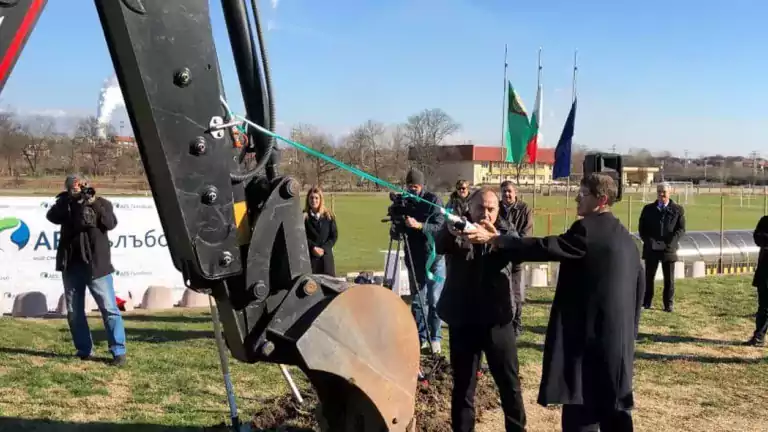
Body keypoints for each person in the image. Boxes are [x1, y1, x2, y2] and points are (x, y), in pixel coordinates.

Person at [464, 173, 644, 432]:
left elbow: (546, 247)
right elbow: (640, 289)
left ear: (602, 200)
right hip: (618, 348)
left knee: (581, 416)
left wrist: (497, 240)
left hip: (589, 347)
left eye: (582, 194)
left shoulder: (588, 230)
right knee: (615, 413)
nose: (576, 198)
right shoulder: (626, 238)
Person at [435, 186, 526, 432]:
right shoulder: (458, 227)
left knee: (510, 384)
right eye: (480, 208)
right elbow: (440, 244)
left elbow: (519, 249)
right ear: (470, 207)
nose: (485, 214)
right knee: (464, 386)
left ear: (498, 210)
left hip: (498, 321)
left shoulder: (505, 230)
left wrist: (496, 239)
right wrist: (451, 230)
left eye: (490, 209)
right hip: (464, 321)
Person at [45, 174, 127, 367]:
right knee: (74, 311)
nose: (78, 188)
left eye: (81, 185)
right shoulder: (65, 204)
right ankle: (84, 350)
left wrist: (92, 201)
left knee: (109, 308)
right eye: (73, 186)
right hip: (71, 265)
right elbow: (52, 217)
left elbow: (110, 223)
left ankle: (118, 351)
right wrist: (67, 199)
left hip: (96, 266)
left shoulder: (102, 203)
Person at [401, 167, 446, 354]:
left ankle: (435, 337)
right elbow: (396, 232)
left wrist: (419, 225)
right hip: (414, 257)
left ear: (422, 185)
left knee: (434, 299)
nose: (413, 189)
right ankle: (421, 337)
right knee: (419, 301)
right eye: (410, 186)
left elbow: (439, 225)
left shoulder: (434, 201)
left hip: (434, 257)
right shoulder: (405, 202)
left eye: (416, 186)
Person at [638, 181, 686, 312]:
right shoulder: (648, 209)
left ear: (669, 192)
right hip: (651, 249)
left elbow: (681, 229)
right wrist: (650, 242)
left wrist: (670, 242)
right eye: (659, 191)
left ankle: (668, 304)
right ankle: (646, 302)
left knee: (669, 279)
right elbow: (642, 229)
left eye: (664, 191)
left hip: (668, 249)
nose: (661, 194)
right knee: (649, 277)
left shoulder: (677, 210)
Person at [498, 180, 533, 336]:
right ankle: (503, 323)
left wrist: (514, 242)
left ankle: (516, 324)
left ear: (516, 192)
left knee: (516, 293)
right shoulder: (497, 208)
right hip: (499, 256)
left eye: (509, 191)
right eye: (504, 191)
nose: (507, 194)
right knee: (501, 292)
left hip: (517, 256)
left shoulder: (524, 209)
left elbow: (527, 233)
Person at [303, 185, 338, 277]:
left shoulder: (328, 216)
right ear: (308, 200)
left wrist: (324, 248)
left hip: (326, 259)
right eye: (311, 198)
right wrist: (312, 247)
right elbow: (302, 237)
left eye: (316, 198)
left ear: (320, 199)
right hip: (311, 260)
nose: (314, 200)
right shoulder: (303, 217)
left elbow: (334, 236)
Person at [747, 215, 768, 346]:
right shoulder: (765, 220)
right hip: (765, 272)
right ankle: (759, 337)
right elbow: (757, 237)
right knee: (763, 307)